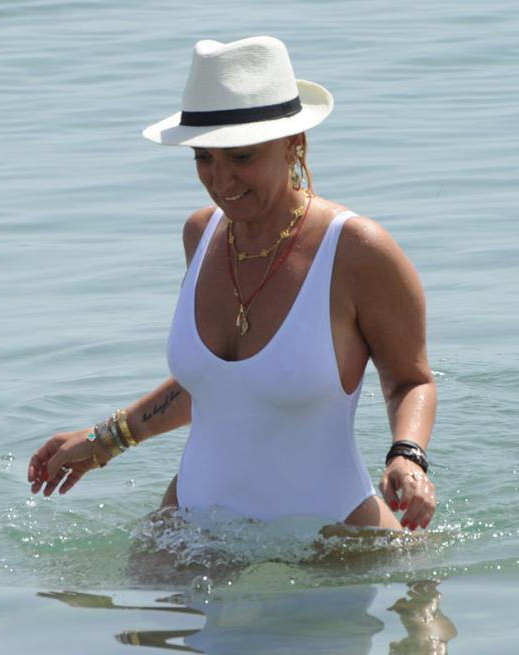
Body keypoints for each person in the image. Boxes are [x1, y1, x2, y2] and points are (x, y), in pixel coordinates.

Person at [28, 36, 437, 532]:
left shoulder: (355, 249)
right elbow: (218, 385)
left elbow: (411, 379)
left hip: (333, 542)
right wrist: (103, 442)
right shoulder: (200, 235)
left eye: (241, 158)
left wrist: (407, 456)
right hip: (189, 529)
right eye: (204, 158)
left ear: (294, 144)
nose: (221, 182)